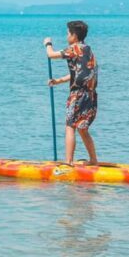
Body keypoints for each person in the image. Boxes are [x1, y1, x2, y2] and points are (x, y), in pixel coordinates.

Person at [44, 20, 98, 165]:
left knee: (70, 126)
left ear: (74, 35)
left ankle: (68, 161)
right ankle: (93, 160)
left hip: (78, 95)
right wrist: (58, 80)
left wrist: (48, 43)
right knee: (82, 129)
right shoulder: (88, 50)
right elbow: (82, 73)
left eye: (68, 33)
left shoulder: (74, 48)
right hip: (90, 96)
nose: (67, 36)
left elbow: (51, 55)